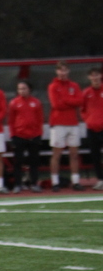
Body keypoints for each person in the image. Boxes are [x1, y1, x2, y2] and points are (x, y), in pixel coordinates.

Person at [48, 61, 84, 191]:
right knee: (56, 154)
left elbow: (80, 101)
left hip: (73, 123)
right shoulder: (53, 86)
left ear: (68, 71)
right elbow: (56, 105)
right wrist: (71, 100)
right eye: (60, 70)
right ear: (57, 71)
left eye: (65, 70)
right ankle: (55, 182)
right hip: (58, 123)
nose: (62, 73)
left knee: (74, 154)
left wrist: (65, 99)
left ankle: (75, 181)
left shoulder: (74, 85)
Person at [8, 80, 45, 193]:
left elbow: (40, 119)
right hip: (19, 136)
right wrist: (13, 135)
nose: (22, 91)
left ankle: (34, 183)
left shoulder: (36, 102)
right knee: (18, 162)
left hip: (34, 136)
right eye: (20, 89)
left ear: (29, 89)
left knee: (34, 162)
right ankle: (18, 185)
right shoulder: (14, 103)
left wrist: (39, 134)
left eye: (24, 88)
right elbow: (11, 120)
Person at [81, 67, 103, 190]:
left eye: (97, 75)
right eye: (92, 76)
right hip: (92, 128)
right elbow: (82, 110)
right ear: (89, 78)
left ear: (100, 76)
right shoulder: (86, 92)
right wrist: (88, 120)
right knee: (95, 156)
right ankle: (100, 179)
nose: (95, 78)